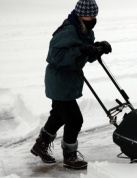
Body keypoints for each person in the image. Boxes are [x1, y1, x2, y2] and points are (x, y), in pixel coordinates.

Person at [30, 0, 112, 170]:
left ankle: (41, 145)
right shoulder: (67, 31)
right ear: (81, 15)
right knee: (74, 120)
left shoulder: (85, 30)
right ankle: (70, 156)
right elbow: (55, 57)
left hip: (68, 81)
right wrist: (81, 50)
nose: (93, 19)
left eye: (95, 15)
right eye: (90, 15)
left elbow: (86, 55)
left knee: (59, 116)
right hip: (59, 81)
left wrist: (98, 48)